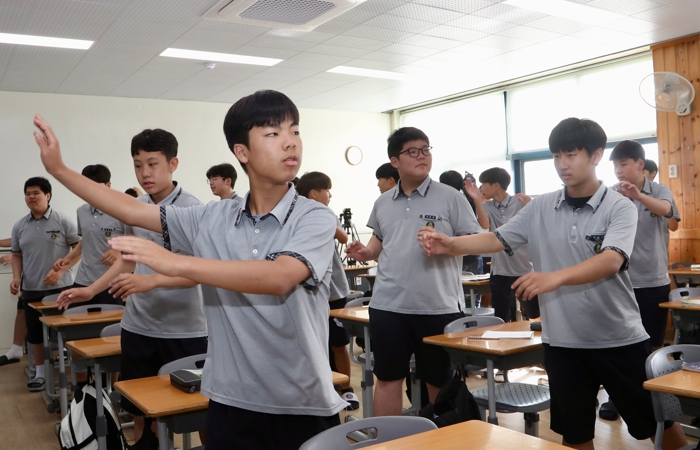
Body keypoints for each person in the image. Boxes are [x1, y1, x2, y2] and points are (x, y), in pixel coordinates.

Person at [34, 89, 346, 449]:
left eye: (295, 131)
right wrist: (58, 169)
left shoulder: (314, 216)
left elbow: (279, 277)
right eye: (273, 133)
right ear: (242, 152)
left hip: (301, 402)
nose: (290, 142)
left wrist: (175, 262)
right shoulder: (212, 217)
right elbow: (131, 209)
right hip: (230, 400)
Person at [417, 117, 687, 450]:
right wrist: (451, 244)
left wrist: (554, 278)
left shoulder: (619, 206)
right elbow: (498, 238)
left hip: (618, 338)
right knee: (575, 433)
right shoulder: (542, 206)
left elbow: (611, 260)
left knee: (657, 423)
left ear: (596, 156)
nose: (562, 164)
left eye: (571, 155)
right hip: (562, 343)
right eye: (557, 156)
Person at [55, 129, 208, 442]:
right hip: (139, 327)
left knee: (201, 413)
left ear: (173, 164)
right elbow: (126, 259)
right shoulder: (134, 207)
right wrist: (90, 289)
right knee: (140, 411)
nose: (145, 173)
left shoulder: (194, 209)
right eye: (138, 165)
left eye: (152, 164)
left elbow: (202, 272)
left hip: (185, 330)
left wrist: (151, 280)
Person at [346, 127, 481, 417]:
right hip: (388, 306)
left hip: (437, 307)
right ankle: (390, 439)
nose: (422, 156)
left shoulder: (451, 197)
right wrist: (365, 253)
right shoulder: (383, 202)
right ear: (395, 161)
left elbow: (475, 242)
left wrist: (447, 245)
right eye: (412, 151)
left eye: (425, 149)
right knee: (388, 379)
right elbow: (378, 243)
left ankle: (440, 439)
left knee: (439, 384)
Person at [11, 177, 80, 391]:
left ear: (47, 195)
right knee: (35, 334)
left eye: (36, 193)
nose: (31, 197)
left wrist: (60, 271)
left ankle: (73, 373)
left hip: (61, 288)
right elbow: (16, 255)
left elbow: (79, 249)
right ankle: (40, 374)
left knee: (64, 332)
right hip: (31, 288)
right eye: (27, 193)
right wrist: (16, 277)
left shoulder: (63, 220)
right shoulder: (20, 225)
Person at [296, 171, 358, 409]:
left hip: (333, 292)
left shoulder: (323, 213)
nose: (330, 195)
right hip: (313, 292)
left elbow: (342, 238)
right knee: (319, 344)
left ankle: (346, 388)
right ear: (314, 193)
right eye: (327, 191)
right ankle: (327, 386)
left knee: (337, 343)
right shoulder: (300, 214)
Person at [53, 164, 125, 306]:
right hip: (83, 279)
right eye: (86, 187)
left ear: (108, 185)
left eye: (96, 186)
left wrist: (118, 250)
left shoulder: (121, 211)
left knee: (110, 319)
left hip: (111, 281)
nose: (91, 191)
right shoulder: (81, 211)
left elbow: (136, 239)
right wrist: (67, 258)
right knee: (75, 316)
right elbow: (85, 241)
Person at [478, 167, 539, 322]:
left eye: (483, 184)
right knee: (501, 317)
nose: (481, 189)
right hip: (500, 271)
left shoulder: (520, 202)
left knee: (535, 315)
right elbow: (484, 225)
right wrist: (477, 201)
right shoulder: (486, 207)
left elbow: (539, 224)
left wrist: (531, 205)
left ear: (495, 185)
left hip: (525, 269)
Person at [438, 170, 488, 308]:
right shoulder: (467, 198)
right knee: (471, 300)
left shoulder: (451, 200)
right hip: (470, 253)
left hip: (457, 253)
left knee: (457, 296)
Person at [0, 238, 26, 366]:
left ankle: (64, 349)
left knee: (55, 313)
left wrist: (17, 257)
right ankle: (16, 349)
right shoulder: (22, 227)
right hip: (30, 278)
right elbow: (19, 239)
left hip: (53, 277)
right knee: (22, 310)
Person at [644, 159, 679, 232]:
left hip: (660, 239)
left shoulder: (663, 194)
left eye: (642, 172)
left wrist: (668, 213)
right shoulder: (631, 194)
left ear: (653, 173)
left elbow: (673, 228)